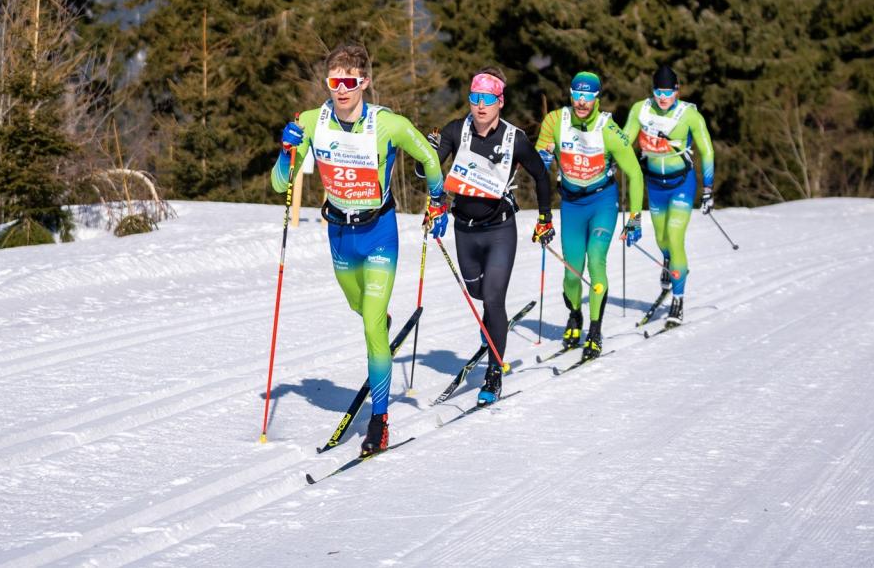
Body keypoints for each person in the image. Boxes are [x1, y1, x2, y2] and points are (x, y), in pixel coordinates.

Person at [272, 43, 445, 458]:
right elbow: (281, 184)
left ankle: (379, 422)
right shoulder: (311, 122)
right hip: (339, 234)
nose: (341, 90)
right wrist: (286, 151)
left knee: (370, 326)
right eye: (334, 82)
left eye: (350, 82)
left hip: (379, 232)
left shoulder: (388, 125)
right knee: (359, 306)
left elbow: (429, 157)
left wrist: (437, 199)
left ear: (364, 82)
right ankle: (379, 318)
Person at [433, 67, 552, 403]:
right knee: (477, 292)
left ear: (500, 101)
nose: (481, 105)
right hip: (464, 229)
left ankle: (493, 373)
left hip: (500, 229)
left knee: (494, 297)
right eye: (475, 98)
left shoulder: (515, 139)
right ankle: (491, 325)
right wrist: (427, 154)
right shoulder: (456, 130)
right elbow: (426, 170)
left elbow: (541, 176)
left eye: (487, 99)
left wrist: (544, 217)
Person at [534, 70, 643, 359]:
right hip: (571, 204)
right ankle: (575, 315)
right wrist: (541, 158)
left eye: (588, 96)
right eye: (577, 95)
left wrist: (634, 219)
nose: (582, 102)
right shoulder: (555, 121)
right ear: (571, 95)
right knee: (572, 273)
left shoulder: (609, 130)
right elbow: (537, 166)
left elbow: (634, 173)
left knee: (596, 259)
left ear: (597, 98)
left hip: (602, 202)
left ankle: (594, 331)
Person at [621, 65, 714, 328]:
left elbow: (707, 150)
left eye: (668, 92)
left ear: (677, 91)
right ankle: (669, 260)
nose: (663, 98)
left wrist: (708, 189)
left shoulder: (689, 115)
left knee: (674, 238)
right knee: (662, 239)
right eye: (658, 92)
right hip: (655, 185)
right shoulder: (640, 110)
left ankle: (678, 299)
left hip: (681, 184)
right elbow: (624, 140)